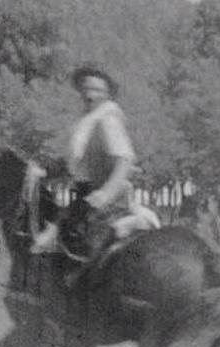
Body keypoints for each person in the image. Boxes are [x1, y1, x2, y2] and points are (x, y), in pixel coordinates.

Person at [31, 65, 139, 277]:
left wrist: (106, 192)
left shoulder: (107, 119)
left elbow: (124, 159)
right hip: (85, 194)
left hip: (107, 199)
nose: (90, 93)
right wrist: (44, 173)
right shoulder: (88, 122)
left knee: (73, 248)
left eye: (97, 90)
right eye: (86, 88)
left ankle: (77, 297)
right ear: (80, 91)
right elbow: (74, 165)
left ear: (107, 94)